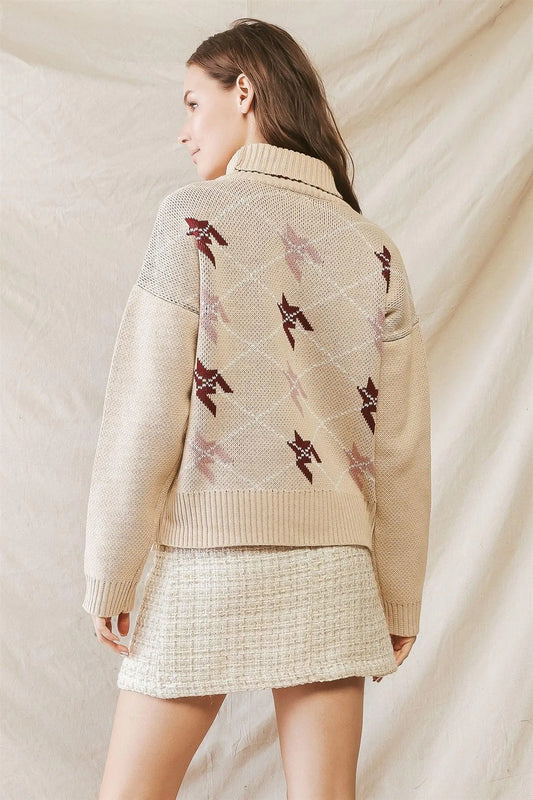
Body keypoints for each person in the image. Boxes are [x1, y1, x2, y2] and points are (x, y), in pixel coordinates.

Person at [82, 17, 432, 800]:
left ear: (243, 91)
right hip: (334, 571)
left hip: (207, 560)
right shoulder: (373, 248)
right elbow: (400, 445)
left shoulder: (192, 220)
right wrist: (397, 595)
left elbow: (146, 414)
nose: (183, 132)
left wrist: (110, 571)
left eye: (191, 103)